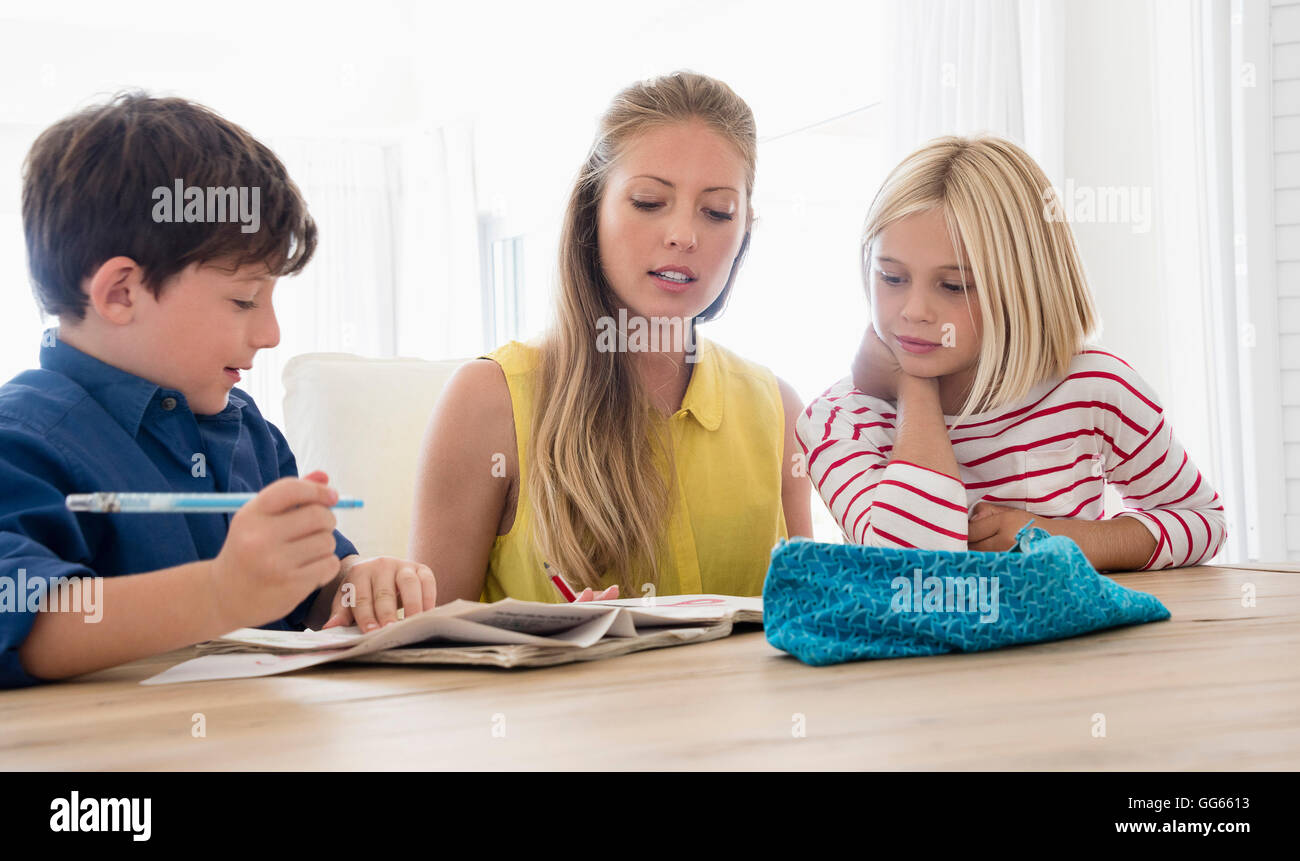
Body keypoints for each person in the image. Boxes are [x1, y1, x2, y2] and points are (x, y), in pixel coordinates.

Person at [0, 93, 436, 688]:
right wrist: (220, 593)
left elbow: (307, 582)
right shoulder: (22, 439)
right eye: (243, 300)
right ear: (121, 293)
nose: (271, 332)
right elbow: (25, 622)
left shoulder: (245, 427)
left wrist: (355, 579)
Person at [411, 71, 812, 603]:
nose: (684, 235)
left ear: (744, 233)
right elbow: (427, 649)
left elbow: (807, 623)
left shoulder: (779, 412)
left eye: (717, 212)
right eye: (648, 202)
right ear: (591, 212)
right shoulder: (489, 400)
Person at [799, 135, 1225, 572]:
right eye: (891, 278)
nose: (914, 312)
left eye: (954, 286)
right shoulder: (839, 422)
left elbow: (1204, 522)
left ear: (1024, 285)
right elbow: (920, 573)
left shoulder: (1094, 389)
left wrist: (1057, 540)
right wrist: (915, 390)